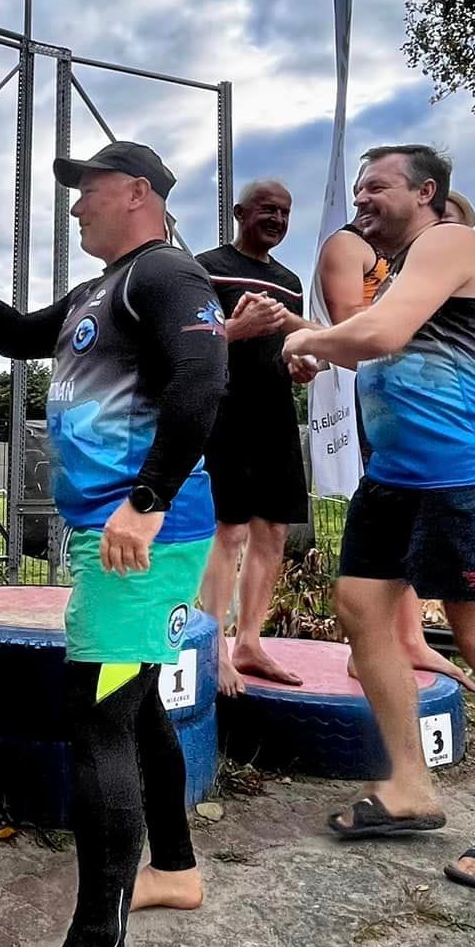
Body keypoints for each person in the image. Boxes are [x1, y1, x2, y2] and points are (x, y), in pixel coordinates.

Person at [0, 141, 227, 947]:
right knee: (135, 704)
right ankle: (176, 866)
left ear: (135, 191)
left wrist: (146, 502)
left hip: (142, 535)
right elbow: (14, 336)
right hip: (112, 532)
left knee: (99, 719)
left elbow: (205, 381)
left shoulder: (165, 274)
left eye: (86, 190)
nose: (76, 206)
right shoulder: (101, 289)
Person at [283, 145, 475, 892]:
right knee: (362, 608)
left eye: (377, 186)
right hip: (396, 478)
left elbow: (380, 336)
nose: (362, 198)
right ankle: (410, 787)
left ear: (426, 191)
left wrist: (310, 338)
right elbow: (373, 345)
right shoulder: (401, 272)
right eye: (360, 188)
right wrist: (322, 353)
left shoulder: (451, 242)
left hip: (470, 474)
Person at [316, 207, 475, 694]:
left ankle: (409, 638)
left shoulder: (418, 271)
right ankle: (372, 648)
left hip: (429, 410)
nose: (441, 238)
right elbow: (351, 325)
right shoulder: (353, 247)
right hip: (382, 403)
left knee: (412, 524)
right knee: (386, 524)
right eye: (440, 222)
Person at [194, 180, 313, 691]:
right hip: (224, 413)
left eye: (285, 213)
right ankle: (213, 646)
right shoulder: (205, 266)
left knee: (274, 531)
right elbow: (191, 336)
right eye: (268, 210)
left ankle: (249, 643)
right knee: (230, 530)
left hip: (276, 415)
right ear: (240, 213)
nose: (278, 220)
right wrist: (232, 325)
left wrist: (301, 360)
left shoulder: (288, 281)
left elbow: (296, 344)